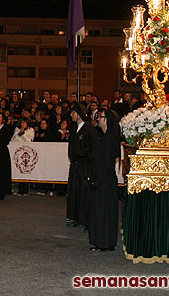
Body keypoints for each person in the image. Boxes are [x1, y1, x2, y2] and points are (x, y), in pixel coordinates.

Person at [88, 109, 121, 251]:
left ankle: (103, 242)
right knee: (105, 211)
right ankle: (105, 241)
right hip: (106, 179)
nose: (98, 120)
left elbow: (104, 162)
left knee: (103, 211)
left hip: (104, 180)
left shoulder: (108, 139)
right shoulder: (108, 137)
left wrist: (96, 179)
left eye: (100, 117)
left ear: (106, 120)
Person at [66, 105, 95, 229]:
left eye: (73, 112)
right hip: (75, 165)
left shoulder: (89, 129)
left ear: (79, 114)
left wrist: (80, 154)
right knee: (75, 192)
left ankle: (86, 219)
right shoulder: (74, 129)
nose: (71, 115)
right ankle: (76, 216)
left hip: (84, 166)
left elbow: (91, 148)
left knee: (84, 193)